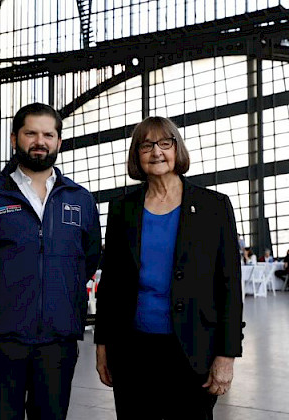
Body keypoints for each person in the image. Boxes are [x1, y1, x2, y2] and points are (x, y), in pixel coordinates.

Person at [94, 116, 243, 420]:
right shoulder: (122, 209)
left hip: (192, 350)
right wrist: (102, 345)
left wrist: (227, 355)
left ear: (178, 149)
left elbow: (229, 286)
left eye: (165, 143)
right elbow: (109, 285)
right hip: (132, 350)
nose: (156, 151)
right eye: (146, 145)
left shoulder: (213, 207)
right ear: (137, 155)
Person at [0, 103, 101, 420]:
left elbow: (88, 259)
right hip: (2, 342)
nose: (40, 141)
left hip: (58, 343)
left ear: (59, 142)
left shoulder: (80, 199)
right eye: (31, 133)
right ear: (15, 138)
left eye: (48, 134)